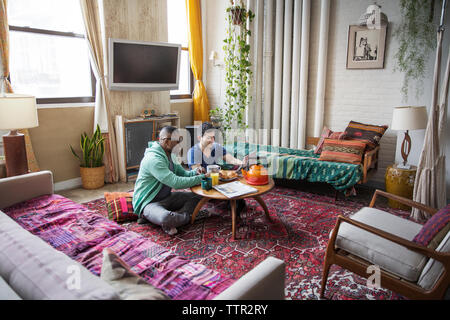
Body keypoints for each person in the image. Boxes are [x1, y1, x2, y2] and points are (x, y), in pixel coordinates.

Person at [132, 126, 208, 235]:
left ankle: (178, 218)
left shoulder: (171, 155)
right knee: (165, 217)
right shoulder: (154, 159)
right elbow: (176, 183)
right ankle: (187, 217)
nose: (179, 144)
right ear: (166, 141)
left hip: (166, 197)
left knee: (199, 196)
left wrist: (196, 172)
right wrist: (201, 178)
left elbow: (183, 174)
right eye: (177, 141)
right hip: (149, 202)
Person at [187, 122, 248, 213]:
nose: (212, 140)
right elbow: (198, 173)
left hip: (216, 182)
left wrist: (241, 163)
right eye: (209, 137)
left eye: (213, 137)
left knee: (239, 192)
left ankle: (232, 203)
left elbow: (230, 159)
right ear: (199, 137)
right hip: (202, 186)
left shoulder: (216, 147)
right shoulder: (193, 152)